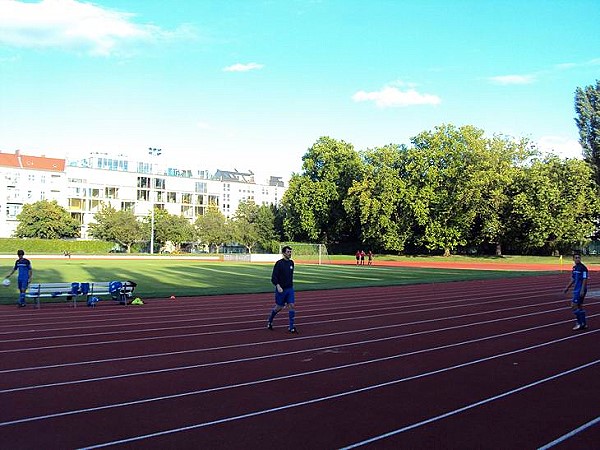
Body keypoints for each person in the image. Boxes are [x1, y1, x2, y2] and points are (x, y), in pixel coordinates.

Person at [267, 246, 297, 333]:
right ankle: (270, 321)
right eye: (288, 252)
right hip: (281, 290)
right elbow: (274, 277)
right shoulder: (279, 263)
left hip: (289, 289)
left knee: (292, 305)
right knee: (278, 307)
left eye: (290, 252)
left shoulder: (292, 263)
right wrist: (278, 285)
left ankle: (291, 326)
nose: (290, 253)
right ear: (284, 253)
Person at [563, 252, 588, 330]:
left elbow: (585, 279)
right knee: (579, 306)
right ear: (573, 259)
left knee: (573, 305)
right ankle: (583, 323)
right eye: (576, 258)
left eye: (579, 257)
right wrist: (567, 287)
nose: (577, 259)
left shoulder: (583, 268)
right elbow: (573, 279)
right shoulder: (574, 268)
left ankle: (579, 323)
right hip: (576, 289)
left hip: (580, 289)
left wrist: (582, 290)